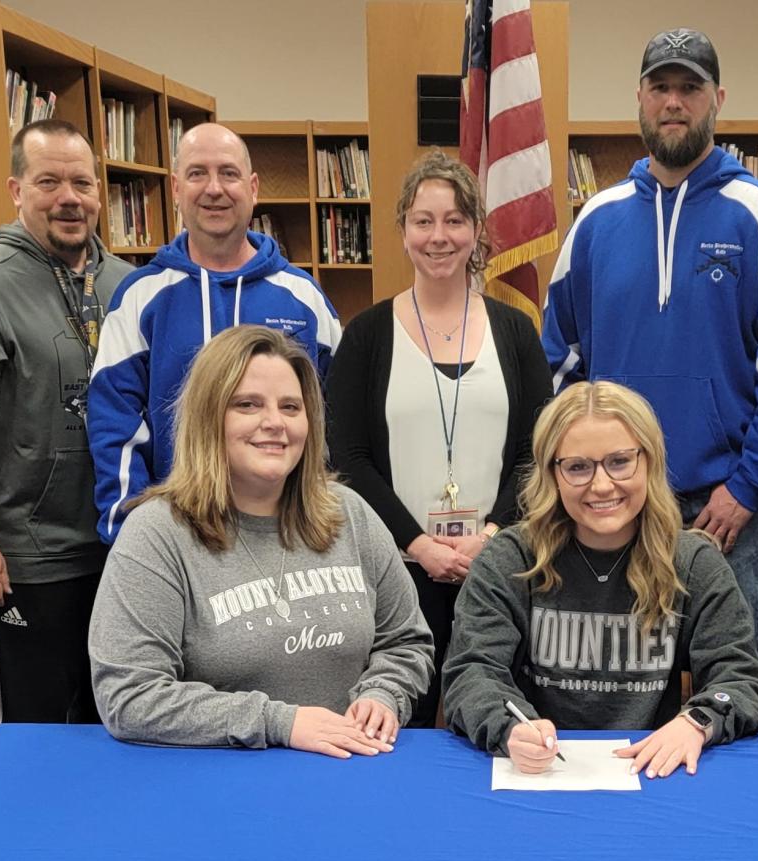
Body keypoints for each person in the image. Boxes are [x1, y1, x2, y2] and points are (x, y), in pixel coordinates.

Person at [541, 28, 758, 668]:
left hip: (726, 507)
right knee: (622, 675)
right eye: (661, 87)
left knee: (734, 672)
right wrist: (583, 474)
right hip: (615, 496)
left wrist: (749, 487)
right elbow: (559, 362)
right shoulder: (596, 221)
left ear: (716, 98)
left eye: (690, 88)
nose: (675, 102)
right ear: (639, 98)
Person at [88, 325, 433, 753]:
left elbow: (406, 641)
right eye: (248, 405)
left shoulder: (350, 513)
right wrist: (280, 723)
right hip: (219, 787)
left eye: (291, 407)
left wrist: (385, 694)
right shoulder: (157, 535)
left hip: (349, 771)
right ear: (208, 416)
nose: (274, 423)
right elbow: (129, 696)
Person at [442, 381, 758, 779]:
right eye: (578, 467)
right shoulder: (511, 559)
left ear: (648, 461)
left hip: (651, 772)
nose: (601, 485)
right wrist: (508, 726)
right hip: (537, 774)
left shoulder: (693, 562)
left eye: (619, 462)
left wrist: (697, 722)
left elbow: (742, 679)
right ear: (553, 474)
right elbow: (471, 671)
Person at [0, 119, 134, 727]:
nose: (70, 198)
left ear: (100, 193)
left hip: (122, 550)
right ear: (17, 190)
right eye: (49, 182)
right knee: (35, 731)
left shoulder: (127, 286)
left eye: (82, 183)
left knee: (118, 723)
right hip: (30, 561)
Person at [326, 150, 552, 727]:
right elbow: (348, 458)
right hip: (398, 572)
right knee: (401, 721)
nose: (439, 236)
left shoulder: (517, 332)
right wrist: (419, 544)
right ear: (402, 230)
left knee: (503, 718)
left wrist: (494, 536)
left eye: (454, 220)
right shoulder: (367, 335)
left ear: (477, 230)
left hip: (501, 566)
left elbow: (537, 452)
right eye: (423, 221)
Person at [88, 122, 342, 543]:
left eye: (228, 173)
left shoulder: (303, 296)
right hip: (177, 533)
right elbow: (114, 425)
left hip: (285, 532)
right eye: (197, 174)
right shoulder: (140, 297)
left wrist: (317, 518)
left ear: (253, 187)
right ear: (174, 189)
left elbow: (333, 417)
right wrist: (131, 536)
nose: (214, 189)